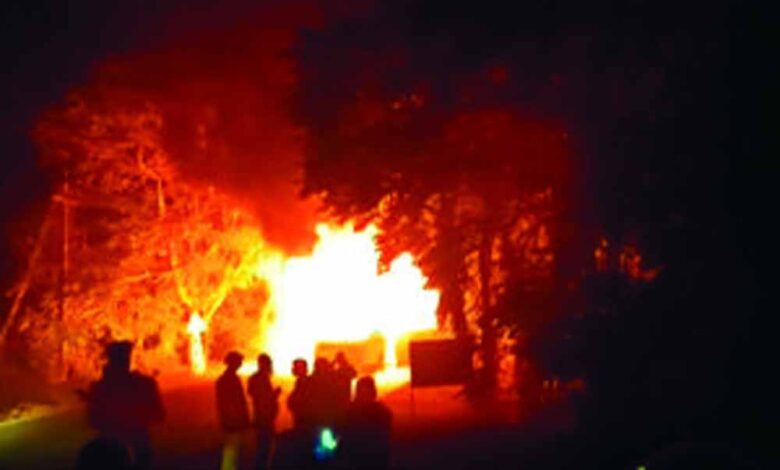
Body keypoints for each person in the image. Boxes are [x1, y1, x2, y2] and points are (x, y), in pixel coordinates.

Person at [83, 341, 164, 470]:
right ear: (128, 360)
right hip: (137, 444)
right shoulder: (144, 384)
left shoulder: (100, 388)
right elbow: (158, 414)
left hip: (111, 449)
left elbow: (94, 420)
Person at [339, 376, 392, 470]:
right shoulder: (382, 411)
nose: (364, 395)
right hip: (365, 457)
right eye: (363, 392)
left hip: (366, 457)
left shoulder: (350, 410)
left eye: (366, 391)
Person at [216, 351, 251, 470]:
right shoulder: (228, 379)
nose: (240, 364)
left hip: (232, 420)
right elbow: (231, 401)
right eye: (239, 361)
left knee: (233, 450)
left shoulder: (227, 378)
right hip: (233, 421)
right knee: (231, 450)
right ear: (233, 362)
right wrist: (238, 418)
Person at [247, 353, 281, 470]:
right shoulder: (261, 378)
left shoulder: (256, 378)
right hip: (264, 417)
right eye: (269, 363)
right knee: (264, 447)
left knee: (263, 446)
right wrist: (275, 394)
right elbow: (265, 398)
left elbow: (253, 393)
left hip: (262, 416)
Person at [286, 358, 312, 430]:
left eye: (298, 367)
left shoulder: (307, 382)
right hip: (301, 418)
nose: (294, 369)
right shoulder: (299, 382)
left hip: (305, 419)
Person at [332, 352, 357, 419]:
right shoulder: (337, 371)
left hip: (344, 397)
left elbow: (354, 374)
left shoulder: (346, 369)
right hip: (337, 398)